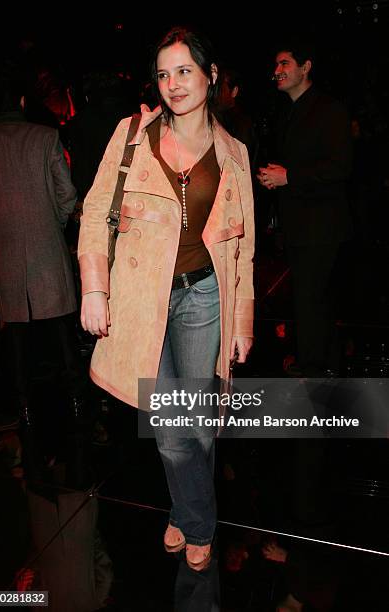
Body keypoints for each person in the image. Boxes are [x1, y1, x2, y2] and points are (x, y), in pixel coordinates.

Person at [78, 27, 255, 570]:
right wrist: (95, 288)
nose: (173, 84)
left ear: (211, 75)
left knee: (197, 423)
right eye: (163, 73)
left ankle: (183, 509)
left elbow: (243, 248)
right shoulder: (132, 134)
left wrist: (242, 322)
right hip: (139, 300)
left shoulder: (234, 153)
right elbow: (93, 212)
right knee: (174, 432)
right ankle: (201, 523)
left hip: (204, 296)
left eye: (184, 71)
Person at [0, 64, 85, 480]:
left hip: (8, 259)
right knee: (65, 350)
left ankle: (29, 431)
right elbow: (66, 194)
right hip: (48, 256)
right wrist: (54, 225)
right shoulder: (46, 137)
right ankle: (77, 430)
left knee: (19, 352)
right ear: (23, 102)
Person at [257, 41, 352, 376]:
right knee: (314, 300)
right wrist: (275, 176)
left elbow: (341, 167)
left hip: (321, 226)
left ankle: (312, 370)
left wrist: (289, 176)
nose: (277, 71)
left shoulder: (329, 109)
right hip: (300, 224)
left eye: (284, 63)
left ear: (306, 66)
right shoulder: (290, 112)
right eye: (276, 65)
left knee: (311, 301)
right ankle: (325, 365)